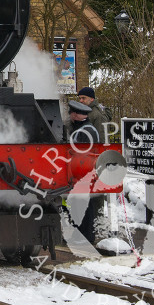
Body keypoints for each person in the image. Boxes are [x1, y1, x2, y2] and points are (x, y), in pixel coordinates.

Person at [65, 99, 103, 244]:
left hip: (84, 171)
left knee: (84, 204)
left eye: (73, 113)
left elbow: (82, 152)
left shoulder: (86, 131)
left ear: (77, 115)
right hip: (82, 171)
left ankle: (85, 236)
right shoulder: (83, 128)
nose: (71, 115)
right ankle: (80, 234)